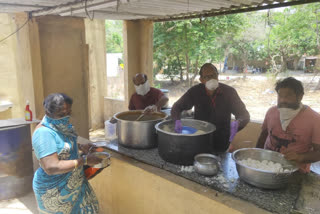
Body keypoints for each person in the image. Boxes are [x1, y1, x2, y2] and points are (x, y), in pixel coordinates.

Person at [32, 93, 102, 213]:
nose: (66, 117)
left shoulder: (61, 127)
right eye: (61, 114)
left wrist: (81, 147)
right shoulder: (43, 134)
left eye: (68, 113)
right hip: (55, 192)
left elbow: (62, 145)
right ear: (48, 113)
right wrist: (84, 160)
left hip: (76, 185)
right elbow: (51, 167)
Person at [171, 63, 250, 153]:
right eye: (207, 77)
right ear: (201, 80)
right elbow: (176, 107)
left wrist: (238, 123)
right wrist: (177, 121)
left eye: (214, 75)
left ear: (218, 76)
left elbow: (244, 114)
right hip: (200, 139)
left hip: (222, 141)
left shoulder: (229, 92)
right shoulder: (195, 91)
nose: (212, 79)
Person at [256, 77, 320, 172]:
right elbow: (263, 135)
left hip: (296, 173)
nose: (282, 100)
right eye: (280, 96)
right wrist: (255, 156)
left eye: (288, 96)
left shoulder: (315, 119)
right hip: (266, 167)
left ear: (300, 96)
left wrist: (299, 157)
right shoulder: (271, 112)